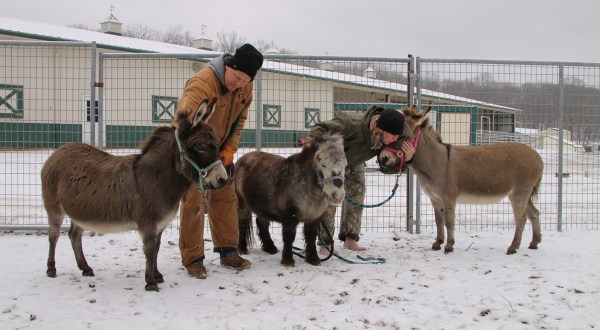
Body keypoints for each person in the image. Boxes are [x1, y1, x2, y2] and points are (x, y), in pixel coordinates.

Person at [172, 44, 263, 279]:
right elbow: (182, 124)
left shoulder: (246, 86)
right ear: (228, 66)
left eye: (245, 81)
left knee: (225, 197)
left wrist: (230, 147)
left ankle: (228, 251)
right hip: (196, 153)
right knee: (194, 201)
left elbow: (240, 119)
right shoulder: (203, 84)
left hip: (219, 150)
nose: (239, 84)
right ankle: (193, 259)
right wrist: (196, 157)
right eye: (237, 78)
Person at [305, 106, 415, 252]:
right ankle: (325, 243)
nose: (396, 139)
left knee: (358, 195)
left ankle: (350, 239)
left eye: (398, 136)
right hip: (334, 162)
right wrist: (310, 144)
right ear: (381, 128)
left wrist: (408, 159)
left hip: (354, 163)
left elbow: (385, 167)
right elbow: (321, 127)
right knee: (331, 198)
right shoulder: (352, 124)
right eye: (393, 135)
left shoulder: (385, 138)